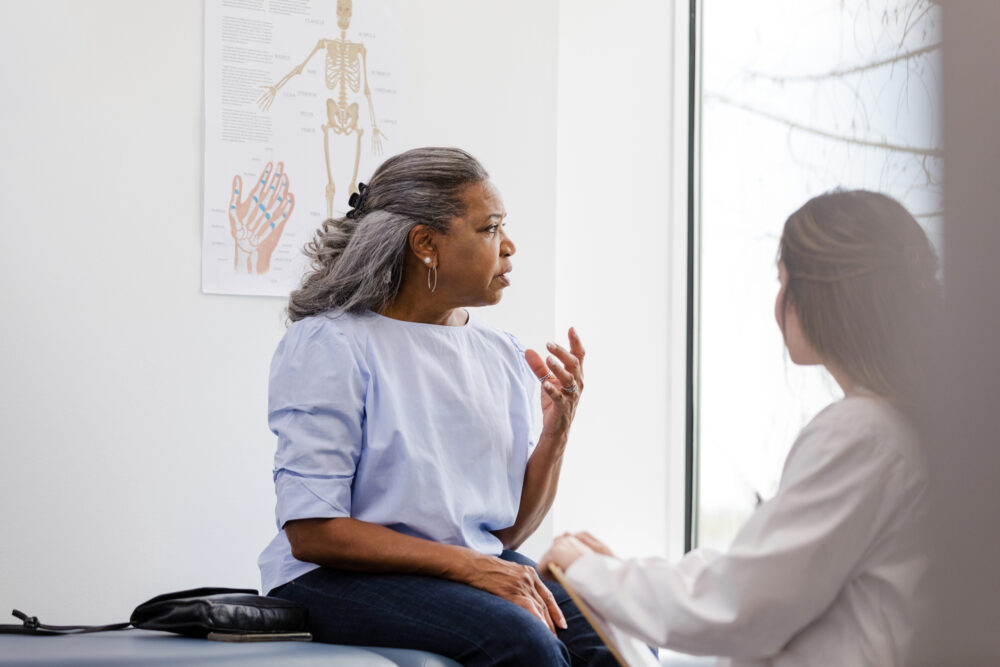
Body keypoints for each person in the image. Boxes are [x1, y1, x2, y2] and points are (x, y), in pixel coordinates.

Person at [540, 190, 941, 666]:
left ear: (818, 293)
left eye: (783, 281)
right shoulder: (905, 432)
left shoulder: (864, 434)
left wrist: (587, 572)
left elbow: (740, 605)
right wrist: (617, 572)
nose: (776, 305)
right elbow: (763, 572)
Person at [258, 147, 614, 666]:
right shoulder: (332, 346)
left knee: (611, 629)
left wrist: (557, 432)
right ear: (425, 244)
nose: (509, 246)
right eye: (490, 228)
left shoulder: (502, 354)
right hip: (331, 580)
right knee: (524, 644)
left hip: (457, 569)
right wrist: (468, 567)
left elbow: (504, 533)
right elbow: (312, 531)